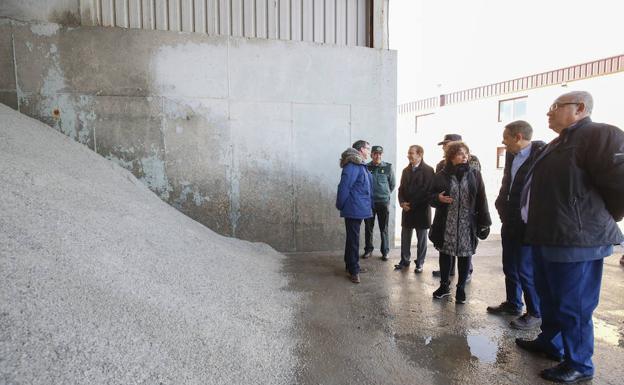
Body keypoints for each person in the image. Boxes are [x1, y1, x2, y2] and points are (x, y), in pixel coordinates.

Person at [515, 91, 624, 383]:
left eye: (554, 107)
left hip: (577, 240)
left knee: (573, 305)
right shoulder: (559, 142)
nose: (548, 113)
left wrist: (592, 218)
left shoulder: (600, 134)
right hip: (548, 235)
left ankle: (579, 364)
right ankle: (551, 342)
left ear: (579, 108)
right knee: (549, 297)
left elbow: (619, 184)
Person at [487, 120, 545, 330]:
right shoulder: (512, 157)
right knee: (509, 266)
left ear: (518, 137)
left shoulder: (541, 156)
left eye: (506, 137)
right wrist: (502, 208)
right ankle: (513, 304)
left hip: (528, 225)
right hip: (509, 221)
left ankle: (535, 313)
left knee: (525, 270)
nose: (503, 142)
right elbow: (507, 185)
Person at [429, 141, 491, 303]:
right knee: (445, 253)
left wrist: (485, 222)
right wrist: (438, 198)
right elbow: (429, 196)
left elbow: (482, 198)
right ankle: (444, 286)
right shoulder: (441, 175)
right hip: (446, 222)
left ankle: (461, 288)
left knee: (465, 255)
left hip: (466, 222)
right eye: (460, 154)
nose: (465, 157)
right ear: (451, 157)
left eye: (466, 154)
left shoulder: (475, 174)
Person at [432, 134, 481, 279]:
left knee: (465, 250)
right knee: (447, 248)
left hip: (466, 216)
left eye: (447, 144)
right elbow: (435, 189)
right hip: (449, 216)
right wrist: (437, 198)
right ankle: (447, 274)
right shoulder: (441, 166)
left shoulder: (473, 162)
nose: (444, 146)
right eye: (444, 145)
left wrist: (483, 221)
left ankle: (466, 274)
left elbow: (477, 192)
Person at [336, 140, 374, 284]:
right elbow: (344, 187)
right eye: (367, 149)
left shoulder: (360, 165)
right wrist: (341, 205)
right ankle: (354, 270)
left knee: (352, 239)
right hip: (353, 208)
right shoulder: (352, 165)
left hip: (359, 207)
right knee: (354, 241)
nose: (369, 152)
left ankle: (350, 265)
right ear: (360, 149)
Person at [394, 145, 434, 272]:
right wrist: (401, 203)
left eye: (411, 153)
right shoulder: (406, 171)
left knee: (421, 238)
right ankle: (404, 260)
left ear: (420, 154)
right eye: (408, 153)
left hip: (421, 210)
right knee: (405, 236)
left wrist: (409, 205)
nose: (409, 155)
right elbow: (401, 189)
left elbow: (427, 191)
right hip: (407, 209)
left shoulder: (428, 170)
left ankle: (420, 263)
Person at [363, 146, 395, 261]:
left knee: (384, 228)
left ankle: (385, 251)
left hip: (383, 202)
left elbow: (392, 184)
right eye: (375, 154)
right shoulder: (366, 167)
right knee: (368, 227)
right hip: (369, 203)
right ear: (371, 155)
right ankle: (368, 250)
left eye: (380, 154)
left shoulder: (388, 167)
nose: (378, 156)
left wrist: (384, 195)